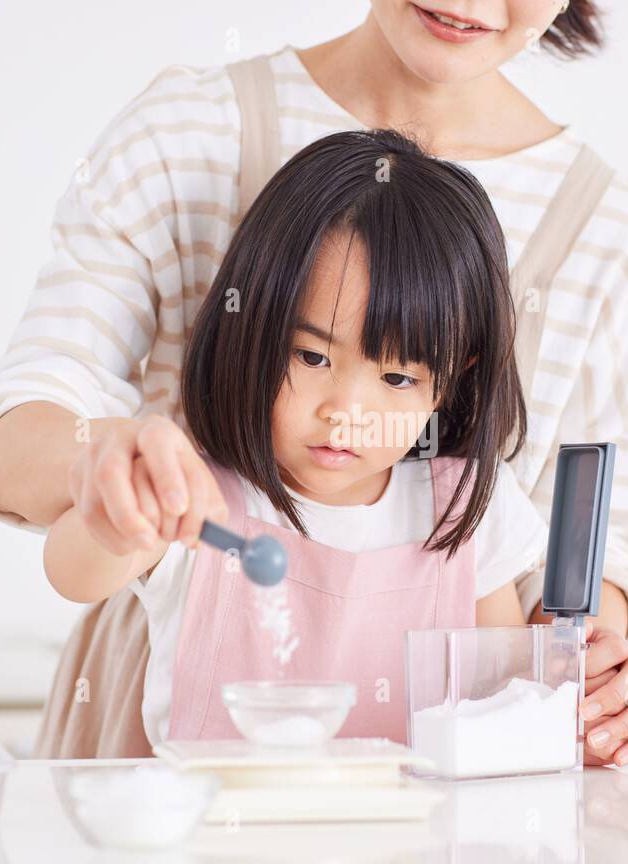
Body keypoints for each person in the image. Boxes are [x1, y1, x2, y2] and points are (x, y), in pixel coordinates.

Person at [0, 1, 628, 764]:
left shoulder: (605, 225)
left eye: (399, 374)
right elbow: (37, 422)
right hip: (159, 768)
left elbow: (610, 535)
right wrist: (110, 474)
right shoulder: (189, 129)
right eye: (310, 357)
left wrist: (573, 683)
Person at [43, 128, 547, 745]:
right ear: (254, 328)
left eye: (396, 376)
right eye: (310, 358)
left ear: (450, 381)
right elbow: (73, 573)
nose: (346, 413)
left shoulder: (465, 508)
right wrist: (114, 515)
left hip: (411, 838)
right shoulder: (203, 494)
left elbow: (508, 703)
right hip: (219, 833)